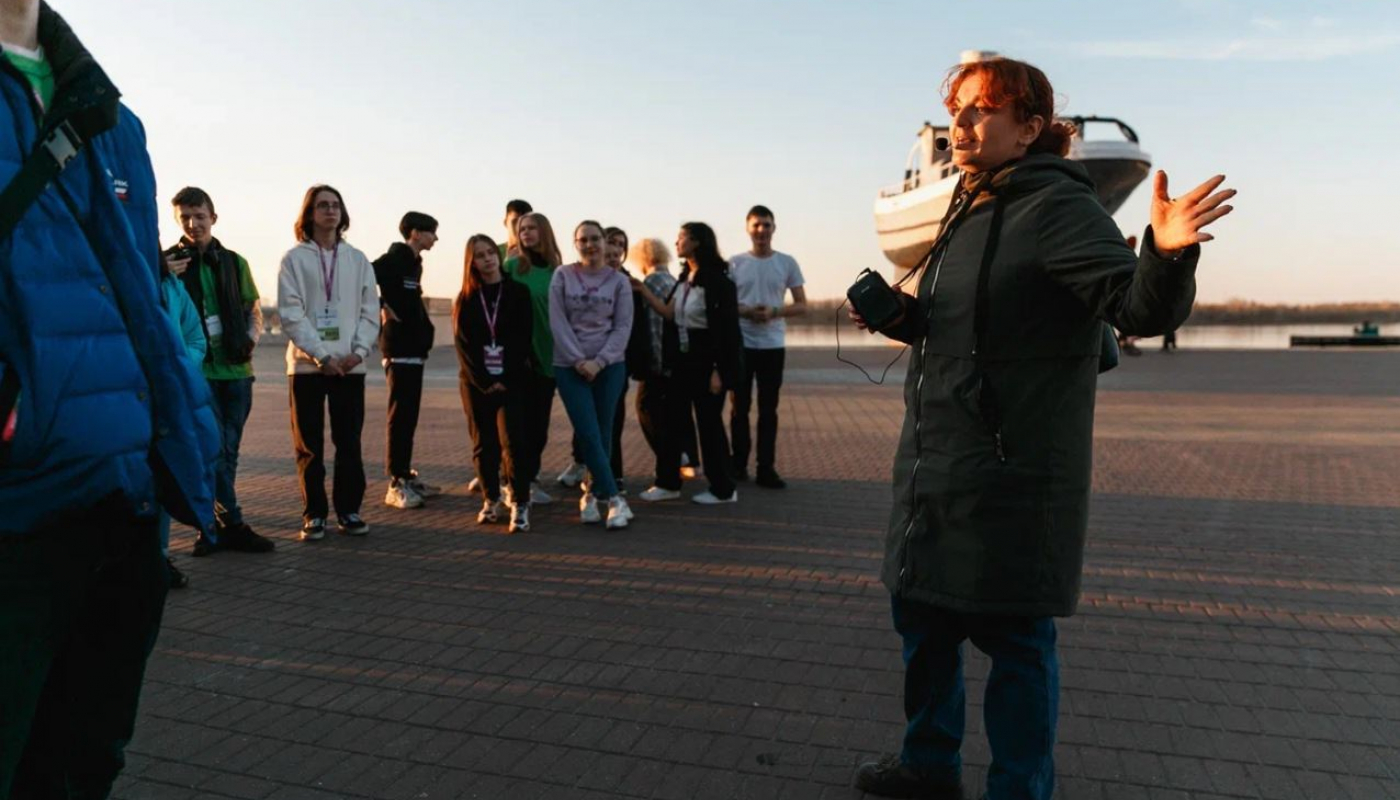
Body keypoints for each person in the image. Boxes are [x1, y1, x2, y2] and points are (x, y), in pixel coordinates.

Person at [848, 57, 1234, 800]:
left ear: (1029, 129)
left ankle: (1019, 790)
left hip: (1012, 474)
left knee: (1017, 646)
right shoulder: (966, 204)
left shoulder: (1059, 207)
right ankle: (928, 766)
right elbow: (969, 323)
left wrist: (1167, 250)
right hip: (934, 464)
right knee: (923, 626)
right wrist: (904, 320)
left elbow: (1135, 307)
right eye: (956, 111)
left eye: (981, 110)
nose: (960, 125)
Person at [0, 2, 217, 795]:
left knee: (84, 764)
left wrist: (177, 430)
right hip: (16, 507)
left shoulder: (113, 117)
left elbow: (139, 291)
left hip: (125, 498)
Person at [166, 186, 276, 556]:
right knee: (213, 452)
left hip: (237, 371)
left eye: (199, 216)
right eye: (185, 217)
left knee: (228, 452)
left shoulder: (235, 261)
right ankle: (227, 525)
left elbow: (252, 309)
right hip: (197, 374)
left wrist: (249, 341)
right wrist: (161, 272)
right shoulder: (167, 264)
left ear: (213, 217)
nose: (193, 224)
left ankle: (213, 525)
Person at [277, 185, 381, 541]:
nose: (330, 210)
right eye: (322, 205)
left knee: (349, 442)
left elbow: (371, 311)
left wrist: (359, 352)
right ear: (309, 213)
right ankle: (314, 513)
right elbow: (291, 313)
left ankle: (349, 510)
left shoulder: (358, 260)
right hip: (307, 367)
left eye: (336, 205)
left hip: (350, 366)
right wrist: (320, 354)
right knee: (309, 446)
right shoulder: (294, 259)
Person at [636, 223, 744, 505]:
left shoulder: (718, 282)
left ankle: (723, 489)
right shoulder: (685, 279)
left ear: (697, 242)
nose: (676, 242)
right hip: (682, 360)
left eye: (682, 237)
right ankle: (668, 483)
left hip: (708, 360)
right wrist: (642, 290)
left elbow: (728, 331)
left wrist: (719, 370)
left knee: (709, 425)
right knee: (671, 422)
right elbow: (669, 313)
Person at [549, 220, 635, 528]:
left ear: (605, 241)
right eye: (583, 240)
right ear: (576, 244)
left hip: (609, 366)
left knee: (603, 431)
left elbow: (622, 326)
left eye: (595, 238)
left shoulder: (619, 282)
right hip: (569, 366)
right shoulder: (563, 275)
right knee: (587, 430)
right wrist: (578, 360)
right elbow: (558, 322)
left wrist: (599, 361)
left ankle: (592, 494)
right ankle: (615, 499)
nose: (590, 245)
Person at [454, 234, 535, 533]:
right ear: (471, 262)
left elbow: (523, 338)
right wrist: (485, 381)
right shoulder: (466, 298)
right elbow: (464, 345)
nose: (487, 259)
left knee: (513, 443)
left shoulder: (518, 293)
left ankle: (521, 502)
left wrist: (504, 378)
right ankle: (491, 498)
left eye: (490, 252)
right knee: (483, 444)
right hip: (476, 384)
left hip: (512, 381)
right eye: (480, 255)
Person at [728, 204, 807, 488]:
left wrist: (774, 312)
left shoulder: (787, 263)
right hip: (742, 344)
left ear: (774, 228)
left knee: (768, 409)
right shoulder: (734, 263)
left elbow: (801, 305)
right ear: (747, 229)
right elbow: (724, 305)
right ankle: (738, 466)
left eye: (766, 225)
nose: (761, 230)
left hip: (773, 345)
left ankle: (766, 468)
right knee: (739, 408)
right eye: (756, 225)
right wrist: (746, 311)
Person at [374, 211, 441, 510]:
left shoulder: (415, 263)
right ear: (415, 233)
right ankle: (396, 483)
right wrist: (381, 306)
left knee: (409, 416)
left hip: (414, 348)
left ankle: (405, 474)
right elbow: (360, 279)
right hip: (398, 348)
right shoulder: (393, 260)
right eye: (431, 232)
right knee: (400, 416)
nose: (435, 238)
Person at [502, 211, 562, 506]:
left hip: (549, 358)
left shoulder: (557, 271)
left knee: (539, 427)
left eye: (532, 228)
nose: (525, 232)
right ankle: (513, 482)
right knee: (517, 427)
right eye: (522, 228)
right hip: (518, 359)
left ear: (544, 232)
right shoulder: (512, 267)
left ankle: (531, 477)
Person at [157, 252, 209, 588]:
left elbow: (196, 338)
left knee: (163, 474)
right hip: (127, 397)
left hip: (169, 399)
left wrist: (177, 364)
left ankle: (159, 557)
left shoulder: (173, 287)